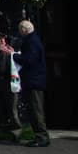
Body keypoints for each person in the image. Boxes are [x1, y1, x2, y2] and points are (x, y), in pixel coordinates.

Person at [14, 19, 49, 147]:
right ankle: (39, 136)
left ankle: (42, 137)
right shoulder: (32, 40)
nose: (19, 32)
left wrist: (14, 56)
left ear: (24, 30)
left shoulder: (32, 42)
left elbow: (30, 59)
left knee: (36, 110)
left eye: (20, 30)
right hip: (33, 80)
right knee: (34, 109)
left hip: (34, 81)